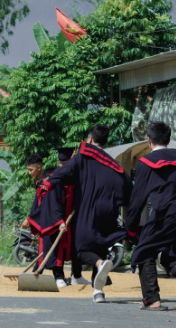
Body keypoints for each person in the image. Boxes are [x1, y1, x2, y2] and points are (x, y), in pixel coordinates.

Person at [48, 124, 132, 304]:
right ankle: (98, 291)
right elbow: (127, 186)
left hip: (89, 211)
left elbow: (62, 174)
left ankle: (99, 265)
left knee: (80, 249)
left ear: (91, 140)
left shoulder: (83, 157)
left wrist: (46, 185)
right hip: (109, 211)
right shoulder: (113, 163)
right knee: (100, 247)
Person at [126, 122, 176, 311]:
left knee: (144, 251)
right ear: (169, 139)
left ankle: (152, 300)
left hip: (167, 214)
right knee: (171, 251)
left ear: (148, 140)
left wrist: (131, 225)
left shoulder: (146, 163)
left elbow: (138, 198)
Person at [24, 150, 87, 289]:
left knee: (76, 246)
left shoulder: (75, 177)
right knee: (52, 246)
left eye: (64, 163)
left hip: (72, 219)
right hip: (54, 219)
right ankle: (57, 277)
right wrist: (34, 218)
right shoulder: (52, 181)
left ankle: (76, 275)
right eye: (60, 163)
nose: (62, 166)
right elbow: (50, 204)